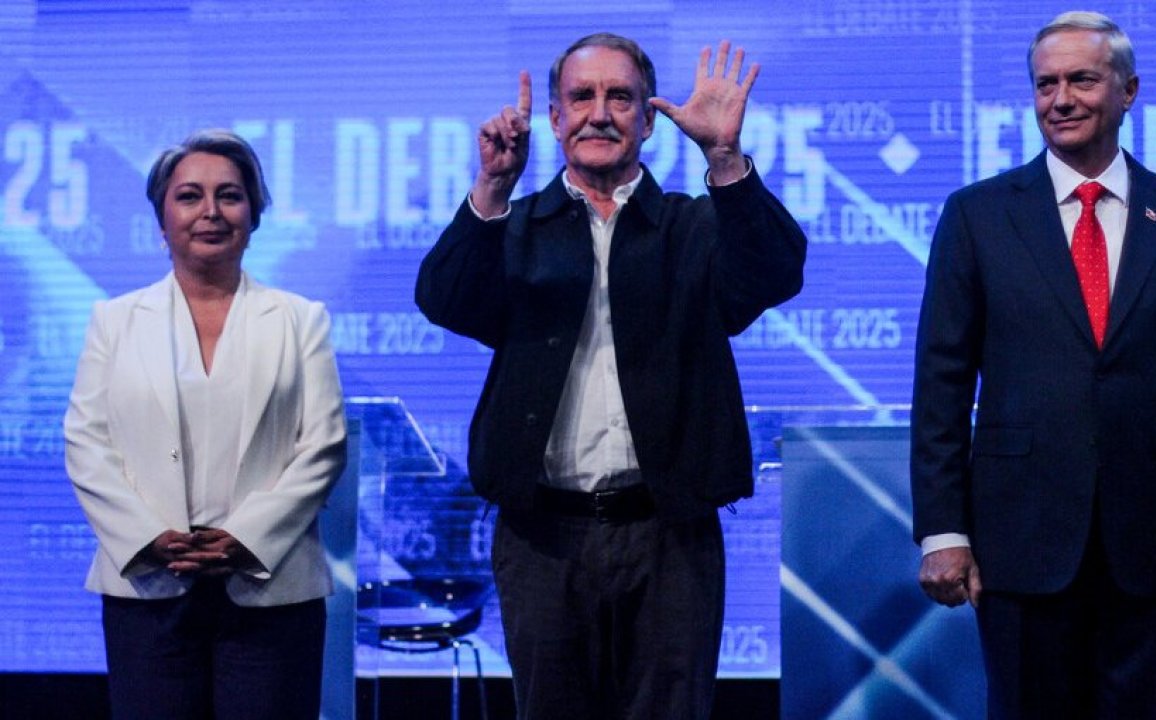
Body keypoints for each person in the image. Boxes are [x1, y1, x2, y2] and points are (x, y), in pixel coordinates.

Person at [416, 32, 806, 720]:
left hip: (669, 535)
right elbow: (444, 299)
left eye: (620, 97)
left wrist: (724, 158)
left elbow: (776, 271)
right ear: (555, 119)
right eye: (582, 97)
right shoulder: (516, 227)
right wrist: (492, 188)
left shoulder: (692, 227)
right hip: (542, 535)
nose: (599, 114)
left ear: (649, 121)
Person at [911, 11, 1156, 719]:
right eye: (1046, 84)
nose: (1060, 99)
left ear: (1129, 91)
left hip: (1152, 542)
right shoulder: (977, 215)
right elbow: (941, 383)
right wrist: (943, 531)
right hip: (1017, 540)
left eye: (1081, 80)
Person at [64, 129, 348, 720]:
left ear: (254, 213)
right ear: (162, 217)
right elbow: (86, 443)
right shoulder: (114, 320)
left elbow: (323, 446)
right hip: (149, 586)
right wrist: (146, 537)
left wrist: (247, 538)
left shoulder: (301, 320)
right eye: (190, 196)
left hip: (272, 588)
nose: (211, 212)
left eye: (230, 195)